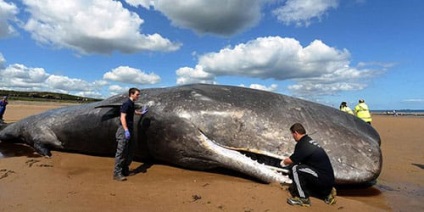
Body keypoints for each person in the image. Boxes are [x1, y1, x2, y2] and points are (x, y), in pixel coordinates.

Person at [280, 123, 336, 207]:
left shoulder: (303, 144)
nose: (292, 136)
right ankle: (327, 194)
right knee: (302, 169)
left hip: (323, 180)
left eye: (292, 134)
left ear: (295, 133)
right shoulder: (309, 141)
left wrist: (282, 163)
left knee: (295, 168)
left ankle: (303, 199)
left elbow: (291, 160)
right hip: (328, 181)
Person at [113, 88, 148, 181]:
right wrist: (125, 130)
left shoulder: (131, 104)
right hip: (124, 130)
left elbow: (132, 112)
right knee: (121, 152)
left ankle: (125, 169)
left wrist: (141, 113)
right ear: (131, 94)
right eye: (137, 94)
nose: (138, 96)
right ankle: (117, 173)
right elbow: (122, 117)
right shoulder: (126, 104)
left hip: (130, 130)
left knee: (130, 151)